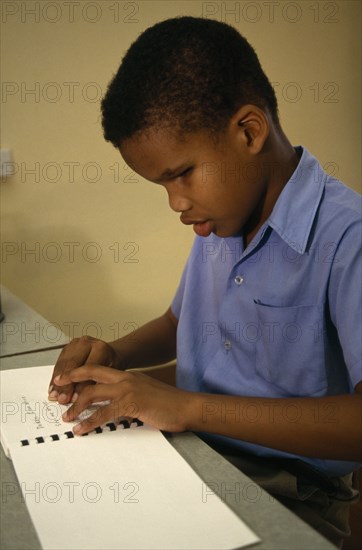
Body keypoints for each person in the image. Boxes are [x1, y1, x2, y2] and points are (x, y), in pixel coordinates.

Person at [48, 17, 361, 547]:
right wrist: (116, 355)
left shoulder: (347, 237)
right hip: (191, 450)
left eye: (182, 174)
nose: (176, 203)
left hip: (285, 489)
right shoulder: (223, 216)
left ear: (248, 131)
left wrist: (188, 406)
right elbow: (181, 321)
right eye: (161, 185)